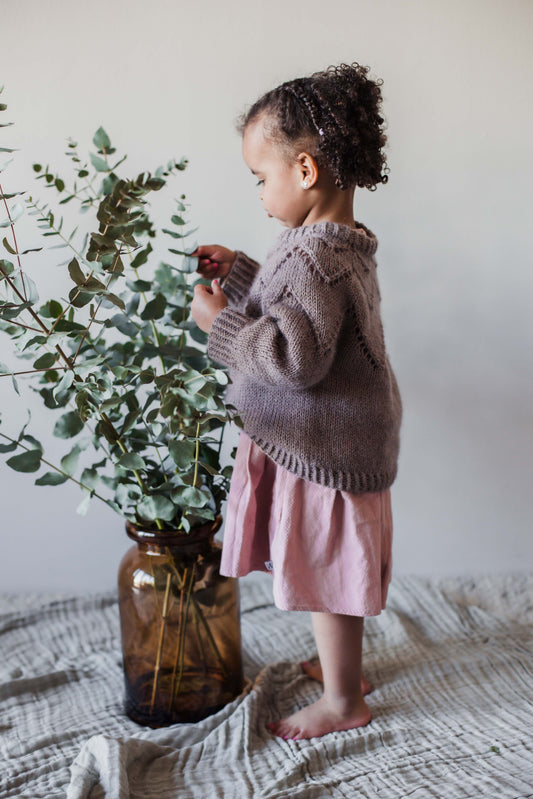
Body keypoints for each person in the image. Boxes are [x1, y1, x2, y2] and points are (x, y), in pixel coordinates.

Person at [190, 63, 402, 741]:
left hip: (325, 447)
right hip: (341, 435)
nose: (259, 192)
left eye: (260, 177)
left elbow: (291, 356)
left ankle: (343, 701)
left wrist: (221, 326)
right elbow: (303, 315)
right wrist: (243, 273)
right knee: (329, 568)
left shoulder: (313, 256)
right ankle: (344, 671)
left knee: (328, 572)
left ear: (305, 170)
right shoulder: (336, 244)